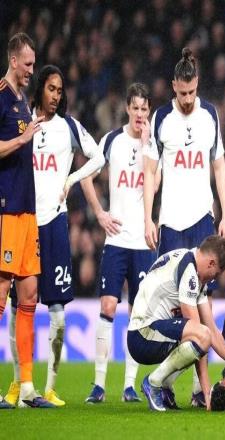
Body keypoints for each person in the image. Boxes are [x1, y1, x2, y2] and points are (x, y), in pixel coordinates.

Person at [5, 64, 104, 407]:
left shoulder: (69, 127)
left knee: (58, 316)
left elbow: (99, 156)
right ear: (40, 90)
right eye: (51, 89)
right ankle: (18, 385)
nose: (56, 96)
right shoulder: (23, 122)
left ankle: (49, 388)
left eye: (60, 91)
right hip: (25, 220)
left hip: (54, 225)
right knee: (19, 306)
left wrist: (71, 179)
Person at [143, 47, 225, 407]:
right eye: (182, 93)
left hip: (201, 221)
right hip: (170, 223)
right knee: (175, 308)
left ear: (197, 84)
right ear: (173, 87)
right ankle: (165, 383)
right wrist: (148, 217)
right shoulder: (161, 118)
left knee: (202, 305)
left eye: (192, 92)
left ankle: (197, 389)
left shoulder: (210, 115)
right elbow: (150, 171)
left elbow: (219, 167)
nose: (187, 99)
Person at [81, 83, 160, 404]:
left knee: (136, 314)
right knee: (108, 306)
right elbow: (86, 175)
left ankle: (129, 385)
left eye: (145, 109)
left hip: (143, 243)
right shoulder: (112, 140)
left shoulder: (153, 146)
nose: (140, 114)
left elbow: (156, 183)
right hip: (115, 241)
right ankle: (99, 385)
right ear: (127, 108)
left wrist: (147, 146)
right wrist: (100, 213)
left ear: (149, 111)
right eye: (136, 108)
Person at [126, 235, 225, 412]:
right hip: (142, 335)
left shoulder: (194, 270)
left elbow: (211, 329)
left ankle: (165, 388)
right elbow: (200, 335)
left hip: (153, 332)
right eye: (216, 274)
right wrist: (206, 390)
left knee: (201, 337)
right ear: (211, 263)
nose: (214, 278)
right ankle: (154, 383)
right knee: (200, 338)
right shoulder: (188, 271)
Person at [0, 33, 52, 409]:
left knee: (29, 294)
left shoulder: (21, 100)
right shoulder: (2, 95)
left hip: (27, 210)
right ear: (14, 60)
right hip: (6, 209)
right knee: (1, 291)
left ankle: (28, 388)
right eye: (28, 64)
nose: (32, 70)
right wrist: (22, 139)